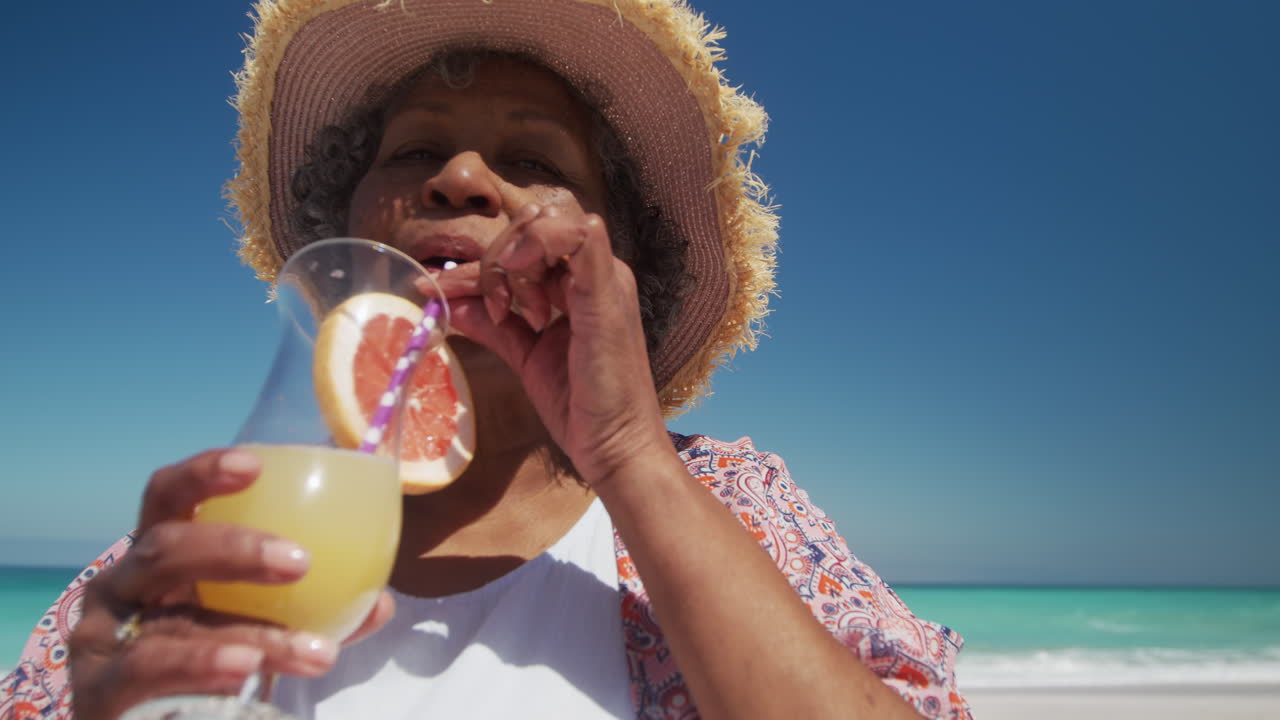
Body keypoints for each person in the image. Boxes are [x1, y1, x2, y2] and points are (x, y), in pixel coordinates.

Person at [1, 1, 971, 718]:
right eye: (414, 149)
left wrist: (629, 452)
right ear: (342, 224)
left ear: (614, 261)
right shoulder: (211, 541)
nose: (460, 179)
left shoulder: (724, 498)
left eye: (536, 163)